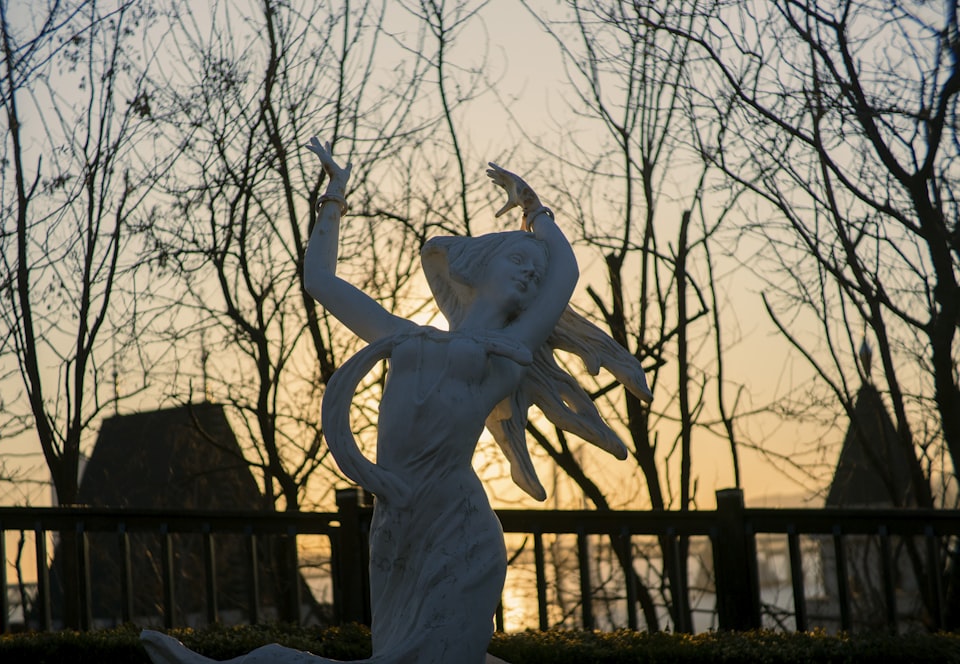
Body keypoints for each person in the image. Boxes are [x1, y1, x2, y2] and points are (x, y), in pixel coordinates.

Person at [141, 138, 652, 664]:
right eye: (519, 258)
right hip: (397, 524)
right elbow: (318, 280)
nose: (532, 273)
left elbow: (563, 270)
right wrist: (333, 199)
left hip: (461, 529)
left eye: (535, 274)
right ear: (476, 267)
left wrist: (534, 210)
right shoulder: (404, 337)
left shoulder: (508, 354)